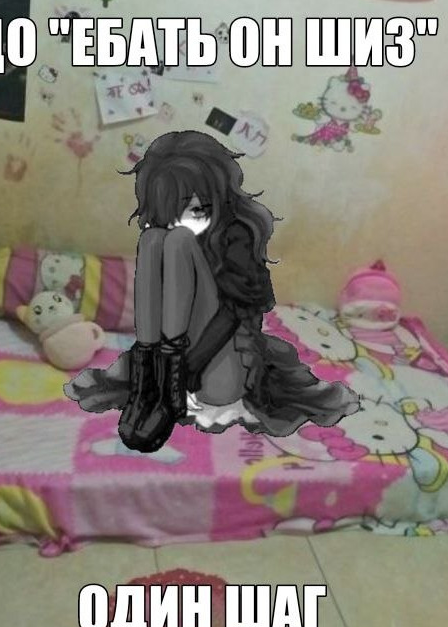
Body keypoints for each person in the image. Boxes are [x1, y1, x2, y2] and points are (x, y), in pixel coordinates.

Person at [65, 131, 360, 452]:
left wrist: (189, 365)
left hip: (218, 345)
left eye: (200, 198)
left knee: (178, 240)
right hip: (165, 349)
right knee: (152, 239)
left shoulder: (236, 233)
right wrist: (150, 361)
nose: (194, 207)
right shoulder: (162, 233)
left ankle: (168, 380)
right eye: (180, 202)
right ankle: (151, 382)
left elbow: (240, 311)